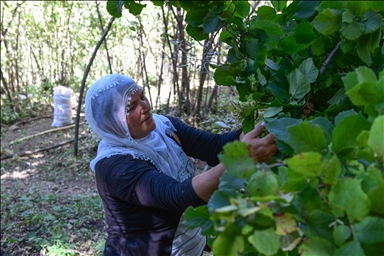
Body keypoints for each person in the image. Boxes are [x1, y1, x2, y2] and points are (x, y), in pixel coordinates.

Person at [84, 74, 277, 256]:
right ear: (112, 122)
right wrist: (239, 161)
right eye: (131, 106)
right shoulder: (114, 166)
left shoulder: (164, 126)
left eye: (142, 97)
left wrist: (272, 124)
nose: (145, 106)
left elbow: (215, 147)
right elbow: (177, 196)